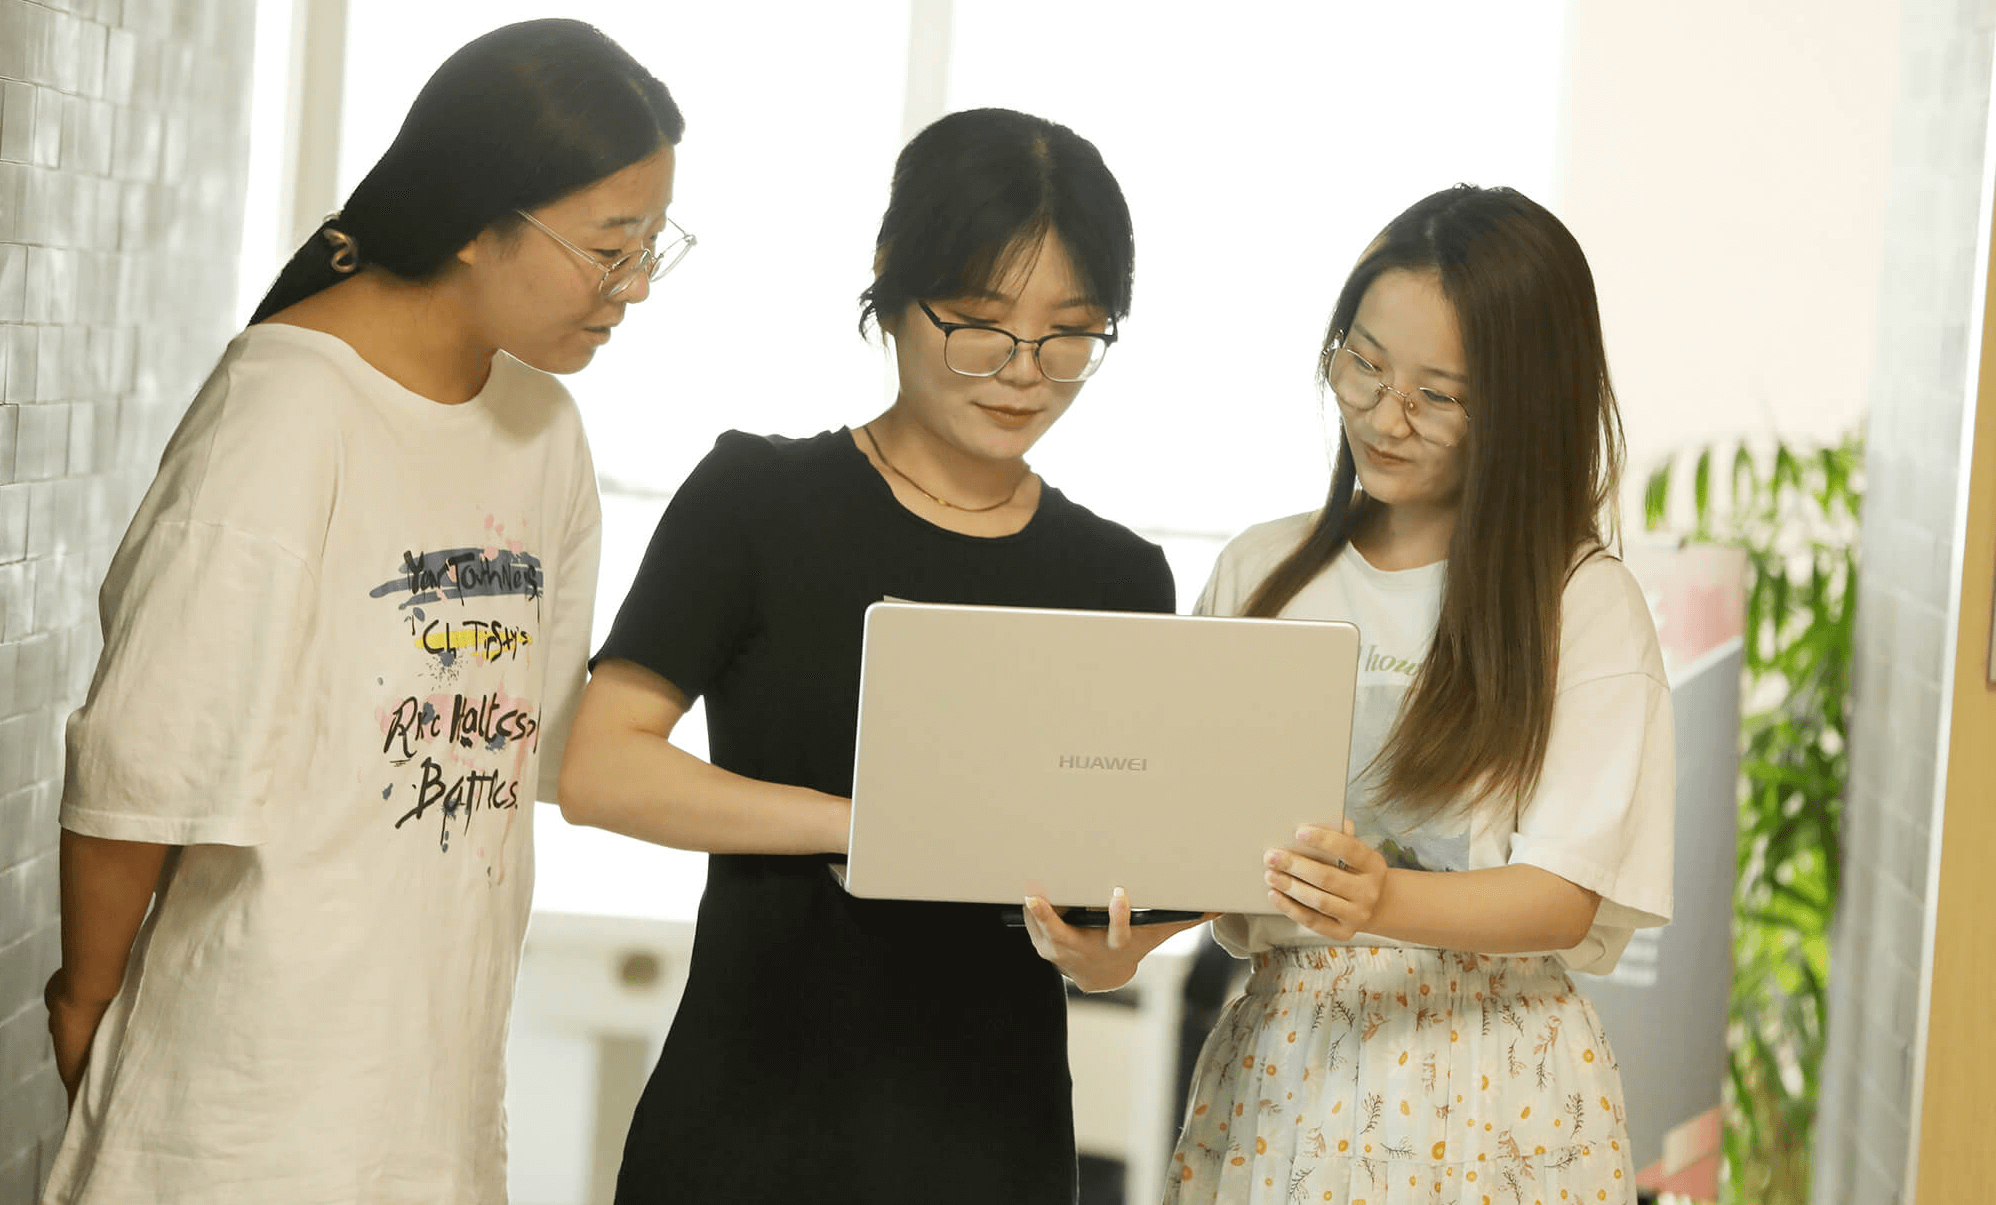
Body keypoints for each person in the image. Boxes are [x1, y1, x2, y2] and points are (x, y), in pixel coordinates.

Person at [39, 20, 686, 1205]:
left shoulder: (543, 429)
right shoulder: (286, 407)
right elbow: (148, 761)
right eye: (610, 246)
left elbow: (539, 742)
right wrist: (86, 1002)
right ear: (478, 218)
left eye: (653, 245)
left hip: (431, 1095)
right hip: (242, 1102)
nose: (636, 285)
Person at [556, 106, 1206, 1204]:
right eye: (980, 325)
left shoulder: (1117, 575)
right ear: (891, 282)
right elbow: (601, 767)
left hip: (989, 1145)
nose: (1023, 373)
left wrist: (1114, 948)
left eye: (1070, 335)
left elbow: (1111, 880)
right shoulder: (757, 502)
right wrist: (868, 825)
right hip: (750, 1129)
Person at [1166, 185, 1674, 1204]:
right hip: (1287, 1062)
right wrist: (1114, 929)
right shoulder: (1262, 570)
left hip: (1495, 1074)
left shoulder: (1582, 602)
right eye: (1363, 363)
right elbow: (1196, 836)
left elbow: (1561, 893)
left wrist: (1382, 897)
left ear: (1525, 407)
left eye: (1439, 396)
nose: (1383, 415)